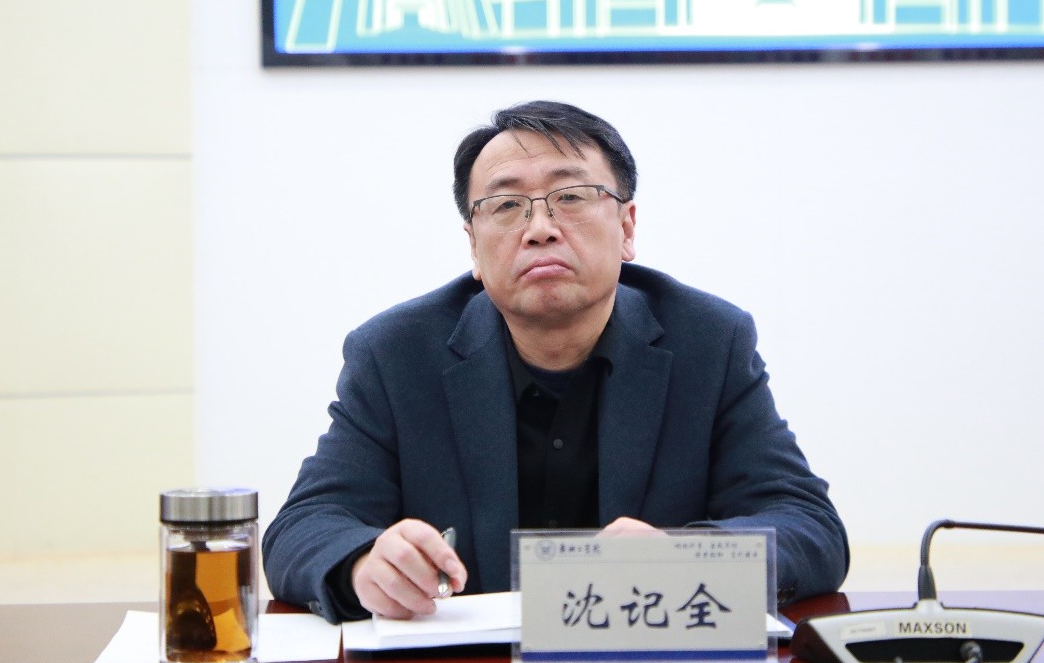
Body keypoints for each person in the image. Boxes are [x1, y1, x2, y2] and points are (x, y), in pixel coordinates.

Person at [262, 100, 848, 623]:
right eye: (505, 205)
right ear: (473, 246)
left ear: (627, 227)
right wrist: (363, 563)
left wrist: (685, 557)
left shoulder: (709, 341)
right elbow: (305, 525)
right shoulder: (395, 354)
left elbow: (808, 524)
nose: (540, 229)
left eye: (570, 197)